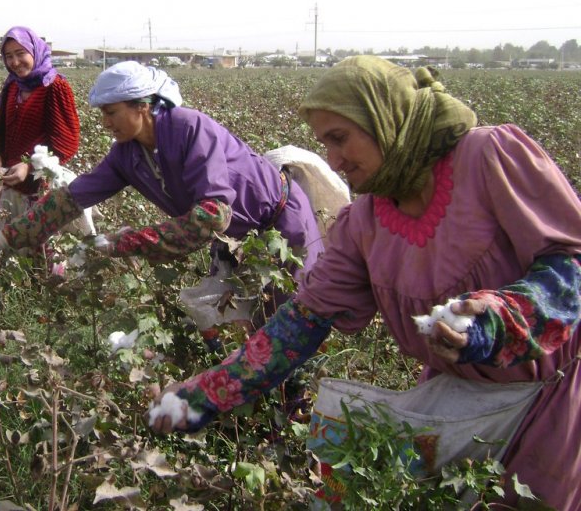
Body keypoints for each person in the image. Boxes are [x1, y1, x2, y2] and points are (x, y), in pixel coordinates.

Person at [148, 56, 581, 510]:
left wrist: (500, 320)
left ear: (384, 119)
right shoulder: (365, 223)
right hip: (455, 402)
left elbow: (570, 265)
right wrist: (201, 395)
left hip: (550, 403)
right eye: (324, 143)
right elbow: (297, 326)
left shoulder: (488, 156)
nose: (333, 160)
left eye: (340, 138)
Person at [0, 61, 326, 348]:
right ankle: (239, 409)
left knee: (291, 327)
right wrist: (0, 241)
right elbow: (70, 200)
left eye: (111, 112)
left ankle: (289, 418)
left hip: (282, 225)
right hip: (236, 239)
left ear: (143, 106)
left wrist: (124, 242)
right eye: (101, 114)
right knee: (226, 322)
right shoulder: (127, 155)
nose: (105, 123)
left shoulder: (191, 128)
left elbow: (213, 215)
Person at [0, 26, 80, 230]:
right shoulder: (13, 86)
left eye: (20, 54)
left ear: (35, 51)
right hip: (12, 188)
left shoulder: (55, 87)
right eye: (9, 56)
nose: (15, 62)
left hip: (44, 189)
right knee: (9, 250)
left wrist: (29, 167)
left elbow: (67, 142)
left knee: (43, 255)